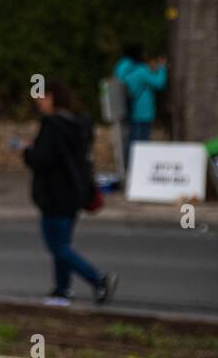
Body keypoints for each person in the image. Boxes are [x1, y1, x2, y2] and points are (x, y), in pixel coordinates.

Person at [22, 80, 117, 306]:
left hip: (55, 194)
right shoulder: (78, 123)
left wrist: (28, 151)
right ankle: (62, 290)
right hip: (75, 193)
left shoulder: (53, 125)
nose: (38, 102)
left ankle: (98, 279)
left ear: (53, 97)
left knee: (57, 246)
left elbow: (43, 159)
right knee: (62, 244)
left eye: (42, 97)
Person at [113, 44, 167, 163]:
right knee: (142, 143)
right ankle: (140, 166)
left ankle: (129, 166)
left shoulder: (121, 67)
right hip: (142, 111)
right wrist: (162, 69)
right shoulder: (141, 70)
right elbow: (158, 83)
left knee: (130, 141)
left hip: (127, 108)